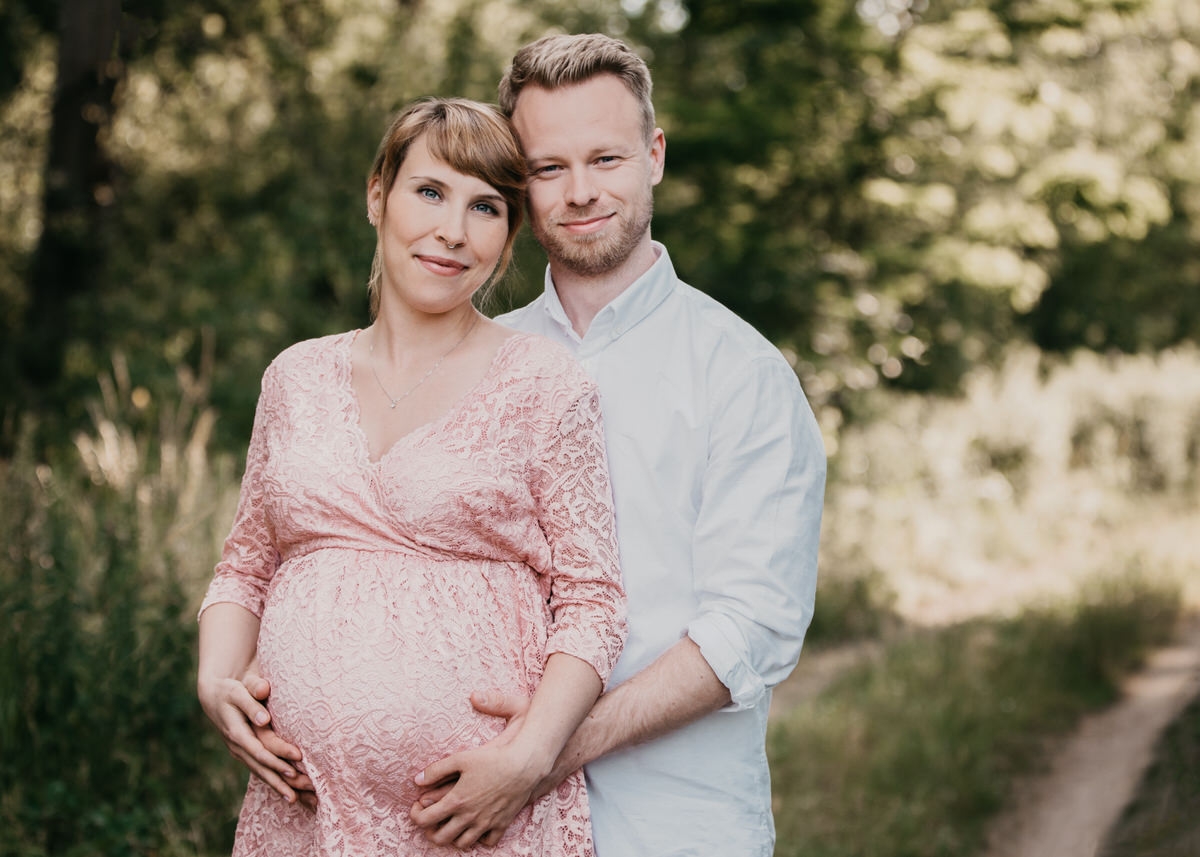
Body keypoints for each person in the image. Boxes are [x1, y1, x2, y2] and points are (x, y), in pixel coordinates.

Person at [408, 34, 827, 856]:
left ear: (655, 155)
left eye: (606, 158)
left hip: (676, 824)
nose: (581, 192)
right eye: (548, 168)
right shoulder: (471, 362)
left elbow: (753, 627)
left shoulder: (740, 373)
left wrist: (543, 754)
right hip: (478, 826)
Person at [196, 96, 626, 856]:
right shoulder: (295, 377)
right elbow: (243, 565)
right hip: (303, 815)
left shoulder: (546, 384)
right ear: (377, 195)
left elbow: (594, 599)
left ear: (508, 235)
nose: (452, 232)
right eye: (429, 192)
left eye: (486, 207)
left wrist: (529, 758)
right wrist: (215, 679)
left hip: (479, 815)